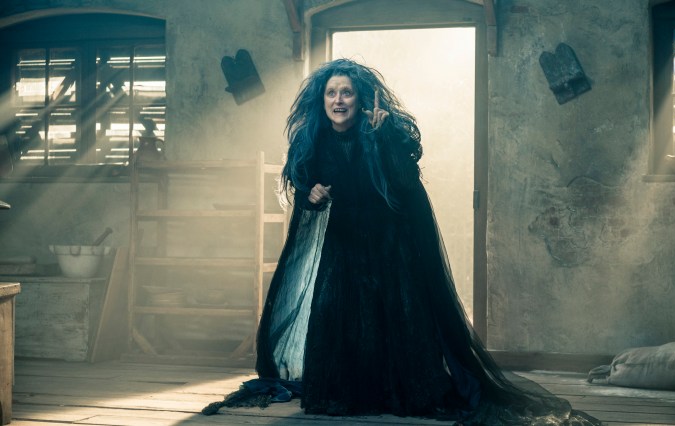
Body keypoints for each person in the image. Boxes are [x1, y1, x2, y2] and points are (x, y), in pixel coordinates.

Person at [203, 58, 601, 425]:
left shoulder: (382, 130)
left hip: (391, 242)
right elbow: (303, 184)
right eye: (331, 93)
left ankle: (398, 391)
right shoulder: (314, 140)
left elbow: (406, 183)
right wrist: (312, 194)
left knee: (396, 315)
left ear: (359, 99)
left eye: (346, 93)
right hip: (344, 245)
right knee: (341, 316)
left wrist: (384, 138)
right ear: (321, 101)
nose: (338, 100)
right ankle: (351, 392)